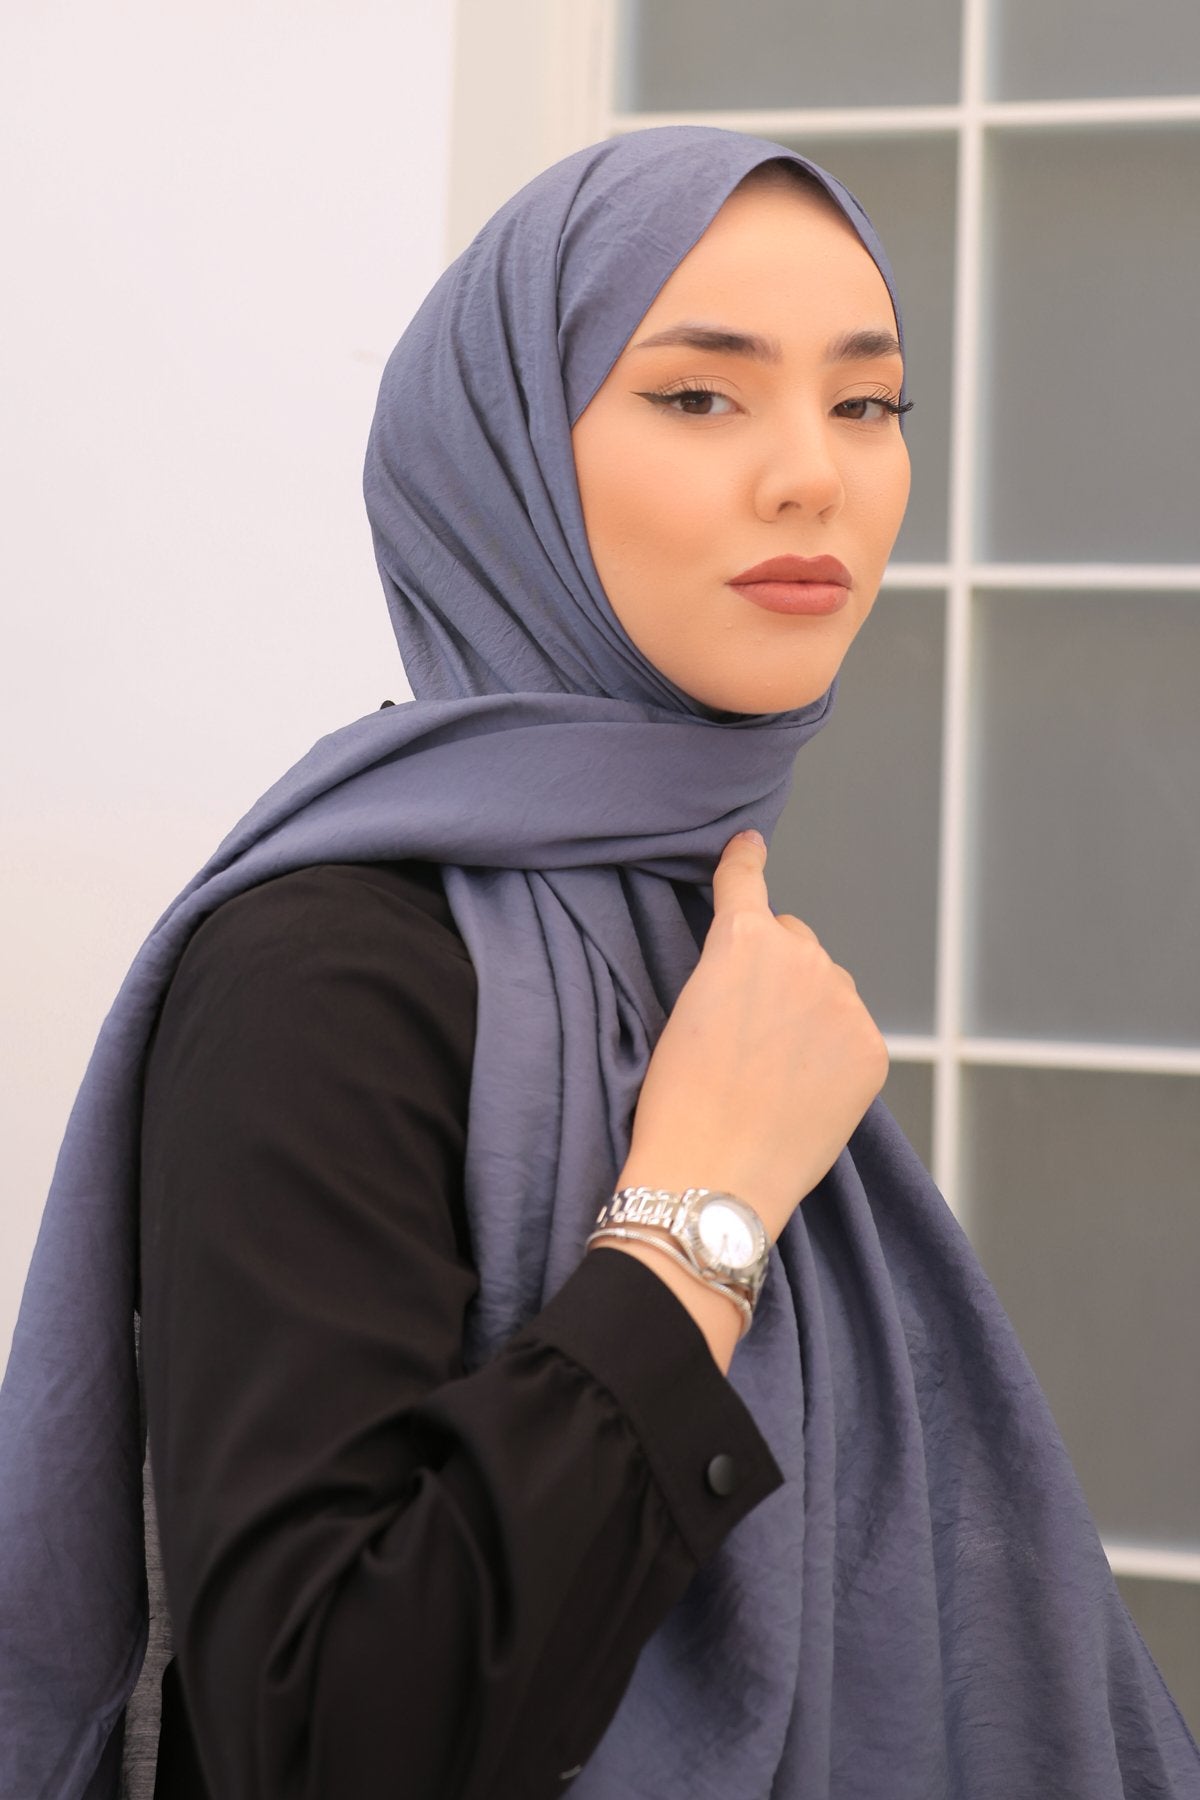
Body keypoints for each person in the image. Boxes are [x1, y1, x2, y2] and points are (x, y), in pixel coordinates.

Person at [1, 127, 1197, 1800]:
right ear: (502, 459)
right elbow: (320, 1736)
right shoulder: (323, 974)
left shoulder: (698, 929)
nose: (813, 475)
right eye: (701, 396)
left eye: (868, 402)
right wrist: (699, 1221)